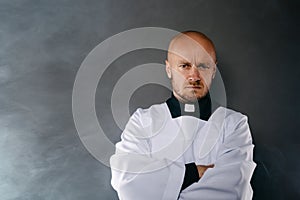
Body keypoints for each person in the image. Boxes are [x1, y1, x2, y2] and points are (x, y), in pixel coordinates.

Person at [110, 31, 256, 200]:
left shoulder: (234, 124)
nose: (194, 76)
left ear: (214, 71)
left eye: (203, 66)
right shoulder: (143, 121)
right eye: (185, 66)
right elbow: (126, 180)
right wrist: (193, 172)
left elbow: (232, 190)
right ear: (168, 69)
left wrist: (162, 182)